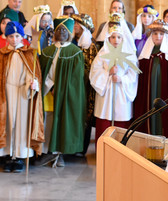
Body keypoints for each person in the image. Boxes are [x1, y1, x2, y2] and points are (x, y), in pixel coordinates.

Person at [0, 21, 44, 173]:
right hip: (6, 92)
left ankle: (20, 155)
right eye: (11, 36)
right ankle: (8, 154)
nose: (14, 39)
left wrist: (32, 83)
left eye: (17, 36)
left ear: (22, 37)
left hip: (23, 94)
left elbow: (34, 73)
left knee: (21, 124)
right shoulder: (1, 54)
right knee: (8, 123)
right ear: (6, 37)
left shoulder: (29, 53)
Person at [40, 17, 85, 167]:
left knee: (62, 121)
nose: (61, 33)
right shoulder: (47, 51)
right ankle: (46, 151)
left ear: (70, 33)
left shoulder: (75, 52)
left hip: (65, 94)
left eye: (65, 30)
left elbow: (76, 79)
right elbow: (43, 72)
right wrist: (51, 87)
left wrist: (61, 89)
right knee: (48, 121)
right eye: (59, 29)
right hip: (48, 92)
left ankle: (60, 153)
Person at [134, 19, 168, 141]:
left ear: (166, 36)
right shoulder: (145, 55)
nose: (158, 37)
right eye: (155, 34)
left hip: (164, 93)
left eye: (161, 34)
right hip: (149, 93)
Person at [90, 22, 139, 144]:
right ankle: (103, 155)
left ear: (123, 38)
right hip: (106, 94)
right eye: (113, 37)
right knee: (105, 123)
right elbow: (94, 72)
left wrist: (122, 79)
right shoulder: (102, 54)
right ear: (108, 38)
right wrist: (108, 73)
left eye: (119, 37)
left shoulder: (130, 54)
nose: (116, 40)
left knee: (120, 124)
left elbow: (133, 75)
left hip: (122, 93)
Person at [72, 13, 98, 155]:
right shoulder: (72, 41)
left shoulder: (91, 45)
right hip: (74, 85)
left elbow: (92, 67)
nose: (75, 26)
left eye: (77, 24)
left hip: (86, 86)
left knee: (85, 116)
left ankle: (82, 148)